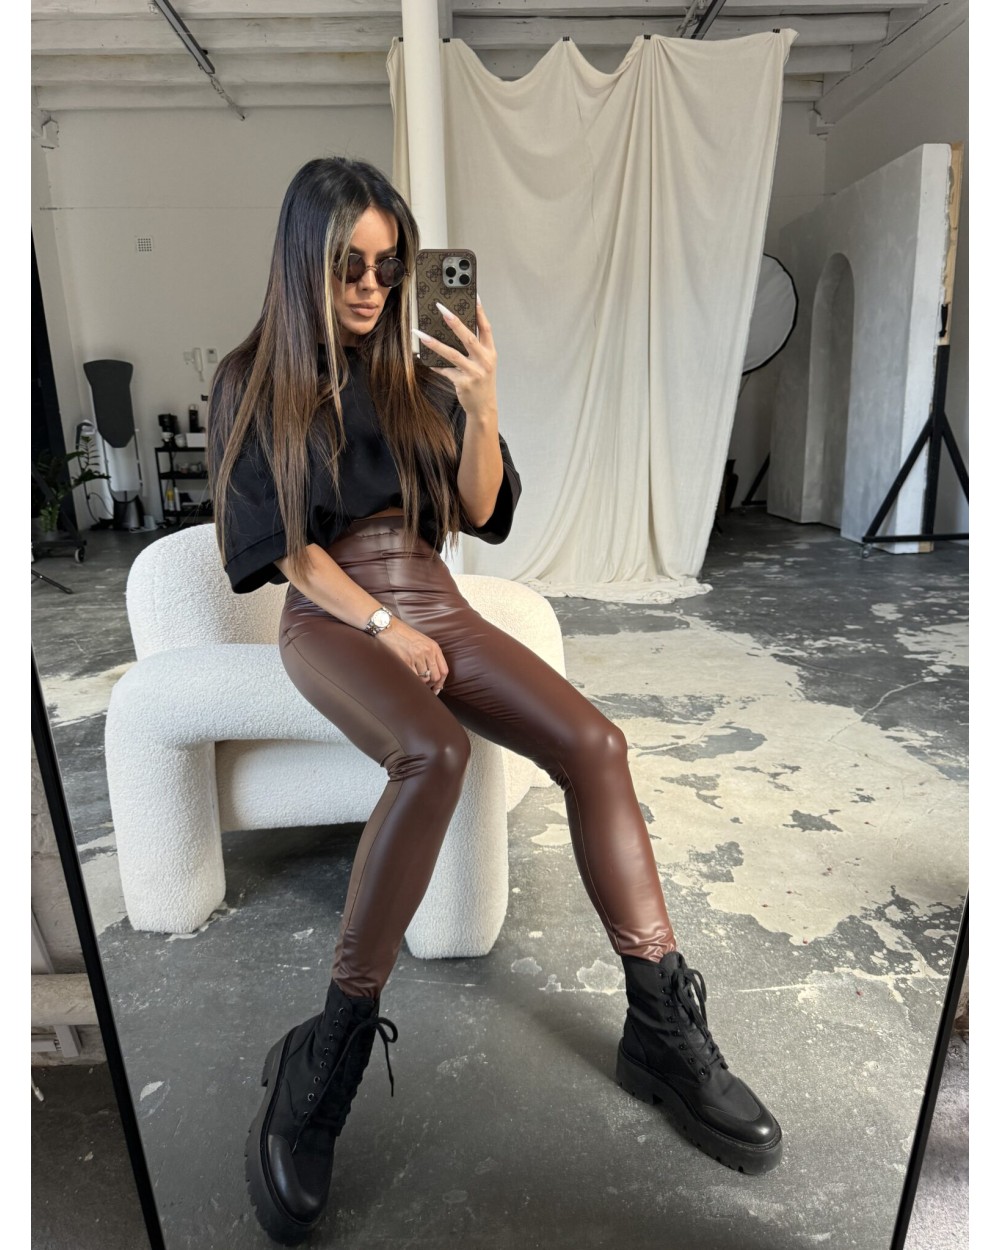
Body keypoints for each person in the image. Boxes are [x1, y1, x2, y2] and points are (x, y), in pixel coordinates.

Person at [208, 156, 782, 1245]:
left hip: (438, 596)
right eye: (348, 266)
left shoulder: (418, 367)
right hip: (333, 614)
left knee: (596, 743)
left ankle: (660, 1022)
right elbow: (286, 551)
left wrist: (481, 402)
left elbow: (479, 510)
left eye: (389, 265)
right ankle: (325, 1050)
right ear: (302, 261)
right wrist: (385, 629)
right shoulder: (254, 379)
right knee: (435, 752)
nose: (371, 287)